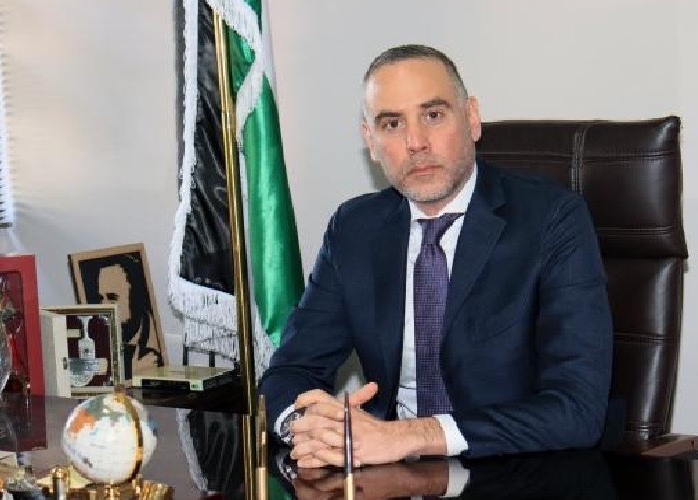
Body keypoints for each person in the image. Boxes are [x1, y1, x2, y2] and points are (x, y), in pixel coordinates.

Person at [258, 44, 613, 470]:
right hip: (387, 475)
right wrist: (306, 426)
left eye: (433, 115)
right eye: (392, 124)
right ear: (370, 140)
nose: (416, 143)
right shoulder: (354, 228)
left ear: (472, 118)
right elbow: (288, 372)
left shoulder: (552, 219)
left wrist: (407, 437)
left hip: (515, 471)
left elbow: (576, 409)